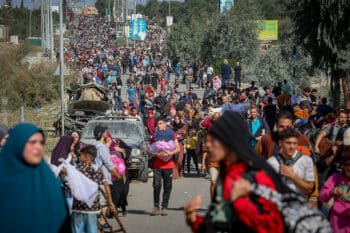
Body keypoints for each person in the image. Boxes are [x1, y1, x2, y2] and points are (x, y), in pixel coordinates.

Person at [185, 111, 286, 233]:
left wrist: (244, 204)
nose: (208, 145)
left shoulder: (256, 174)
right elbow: (219, 222)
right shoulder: (226, 176)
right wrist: (195, 221)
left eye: (214, 140)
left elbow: (274, 224)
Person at [0, 123, 70, 233]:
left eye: (41, 142)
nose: (38, 147)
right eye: (32, 142)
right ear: (18, 143)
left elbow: (61, 219)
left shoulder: (47, 178)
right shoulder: (4, 177)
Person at [71, 145, 116, 233]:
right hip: (92, 207)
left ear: (86, 157)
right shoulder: (97, 170)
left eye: (81, 155)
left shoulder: (77, 169)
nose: (80, 157)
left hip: (78, 206)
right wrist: (110, 203)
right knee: (92, 230)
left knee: (77, 230)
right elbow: (106, 187)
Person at [267, 127, 315, 194]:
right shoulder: (271, 162)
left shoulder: (306, 160)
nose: (292, 146)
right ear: (280, 143)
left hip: (297, 202)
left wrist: (292, 176)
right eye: (288, 143)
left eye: (294, 143)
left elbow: (310, 189)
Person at [151, 118, 180, 216]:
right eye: (157, 124)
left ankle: (164, 207)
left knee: (167, 186)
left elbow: (178, 148)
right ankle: (156, 207)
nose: (158, 125)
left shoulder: (172, 134)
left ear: (165, 124)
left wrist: (169, 153)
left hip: (168, 165)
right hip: (157, 165)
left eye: (160, 123)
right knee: (156, 185)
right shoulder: (154, 136)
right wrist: (156, 154)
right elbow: (150, 150)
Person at [320, 153, 350, 233]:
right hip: (336, 220)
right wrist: (333, 191)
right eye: (348, 165)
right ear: (343, 166)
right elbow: (322, 196)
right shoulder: (336, 177)